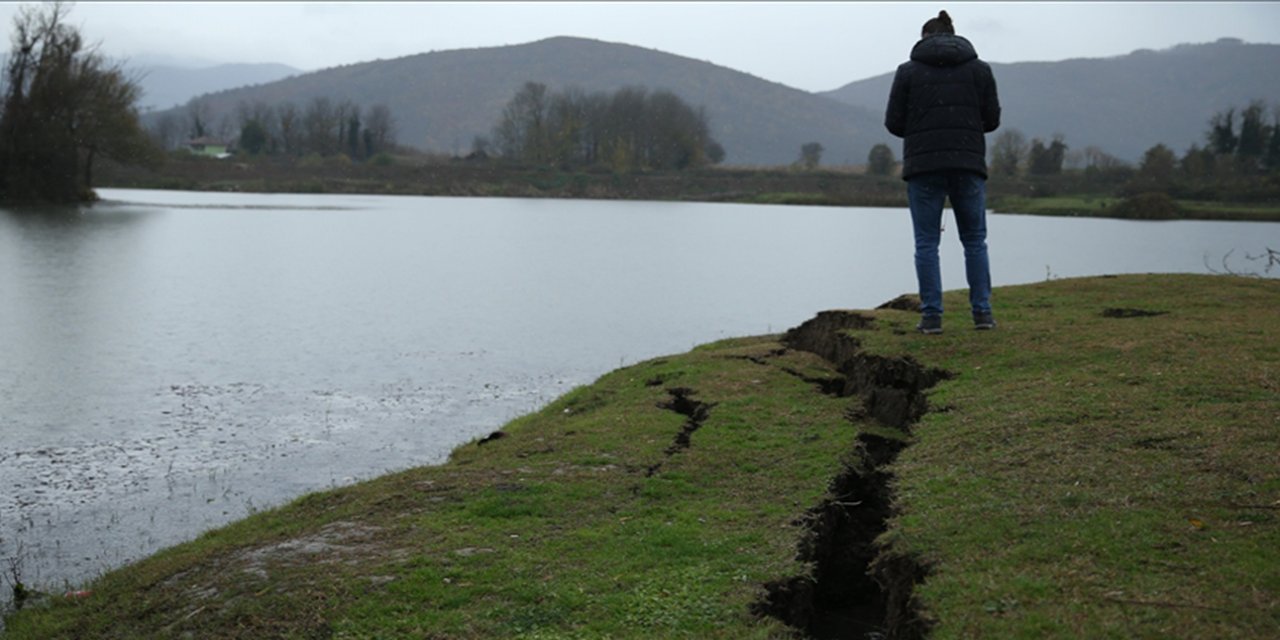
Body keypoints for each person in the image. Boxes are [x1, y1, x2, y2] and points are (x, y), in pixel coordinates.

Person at [884, 10, 1001, 334]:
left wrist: (923, 130)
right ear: (953, 34)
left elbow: (894, 123)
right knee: (975, 241)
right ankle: (983, 314)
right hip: (968, 163)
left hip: (924, 167)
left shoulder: (907, 72)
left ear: (924, 38)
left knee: (926, 243)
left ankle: (932, 317)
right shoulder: (980, 70)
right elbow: (991, 120)